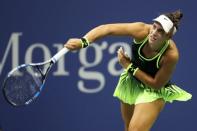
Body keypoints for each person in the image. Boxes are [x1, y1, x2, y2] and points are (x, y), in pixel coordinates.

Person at [64, 10, 192, 131]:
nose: (153, 32)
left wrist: (129, 66)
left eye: (160, 31)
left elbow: (156, 84)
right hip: (132, 82)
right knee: (128, 127)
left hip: (154, 91)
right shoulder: (141, 30)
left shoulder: (171, 55)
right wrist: (84, 42)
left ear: (168, 36)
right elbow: (107, 29)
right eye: (154, 26)